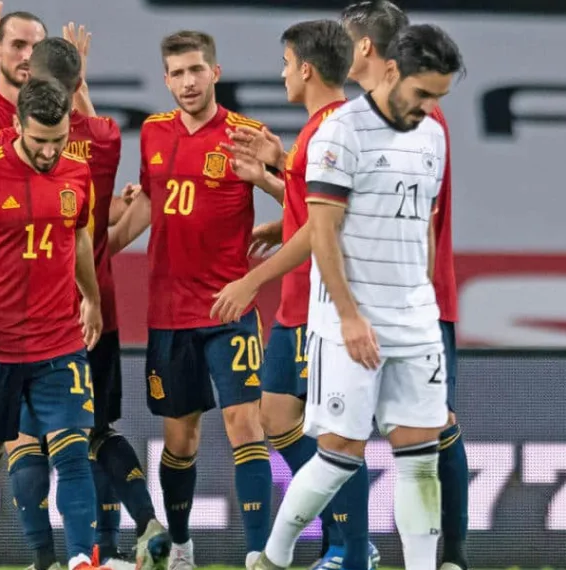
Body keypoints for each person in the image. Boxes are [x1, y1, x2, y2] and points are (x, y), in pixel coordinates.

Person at [255, 23, 464, 570]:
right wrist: (348, 317)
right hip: (348, 323)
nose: (429, 108)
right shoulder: (341, 131)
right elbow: (322, 232)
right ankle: (274, 557)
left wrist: (421, 302)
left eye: (438, 97)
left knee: (419, 459)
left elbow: (422, 227)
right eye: (422, 93)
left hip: (414, 323)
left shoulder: (433, 135)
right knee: (338, 456)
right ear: (391, 71)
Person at [211, 20, 378, 570]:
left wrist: (252, 279)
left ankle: (350, 547)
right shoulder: (317, 129)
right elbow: (313, 207)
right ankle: (346, 539)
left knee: (334, 438)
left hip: (319, 305)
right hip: (296, 303)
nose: (281, 73)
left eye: (285, 63)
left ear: (306, 68)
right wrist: (277, 187)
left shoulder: (335, 128)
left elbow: (324, 226)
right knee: (277, 417)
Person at [107, 30, 273, 570]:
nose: (188, 82)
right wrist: (98, 251)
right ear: (166, 80)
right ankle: (180, 545)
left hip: (229, 309)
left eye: (196, 69)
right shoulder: (155, 132)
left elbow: (297, 194)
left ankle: (259, 554)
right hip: (170, 312)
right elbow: (148, 202)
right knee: (180, 441)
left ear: (215, 72)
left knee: (245, 426)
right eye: (177, 73)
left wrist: (272, 196)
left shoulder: (247, 135)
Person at [0, 76, 104, 570]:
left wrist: (92, 299)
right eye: (40, 141)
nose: (50, 152)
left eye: (59, 140)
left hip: (59, 339)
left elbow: (79, 239)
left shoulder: (77, 171)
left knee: (72, 450)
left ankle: (81, 559)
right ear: (16, 125)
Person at [338, 4, 469, 568]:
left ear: (366, 47)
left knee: (433, 428)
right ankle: (350, 550)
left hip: (411, 300)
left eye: (346, 39)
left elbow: (420, 223)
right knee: (342, 432)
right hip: (373, 301)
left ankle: (450, 556)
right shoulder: (365, 116)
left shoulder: (417, 116)